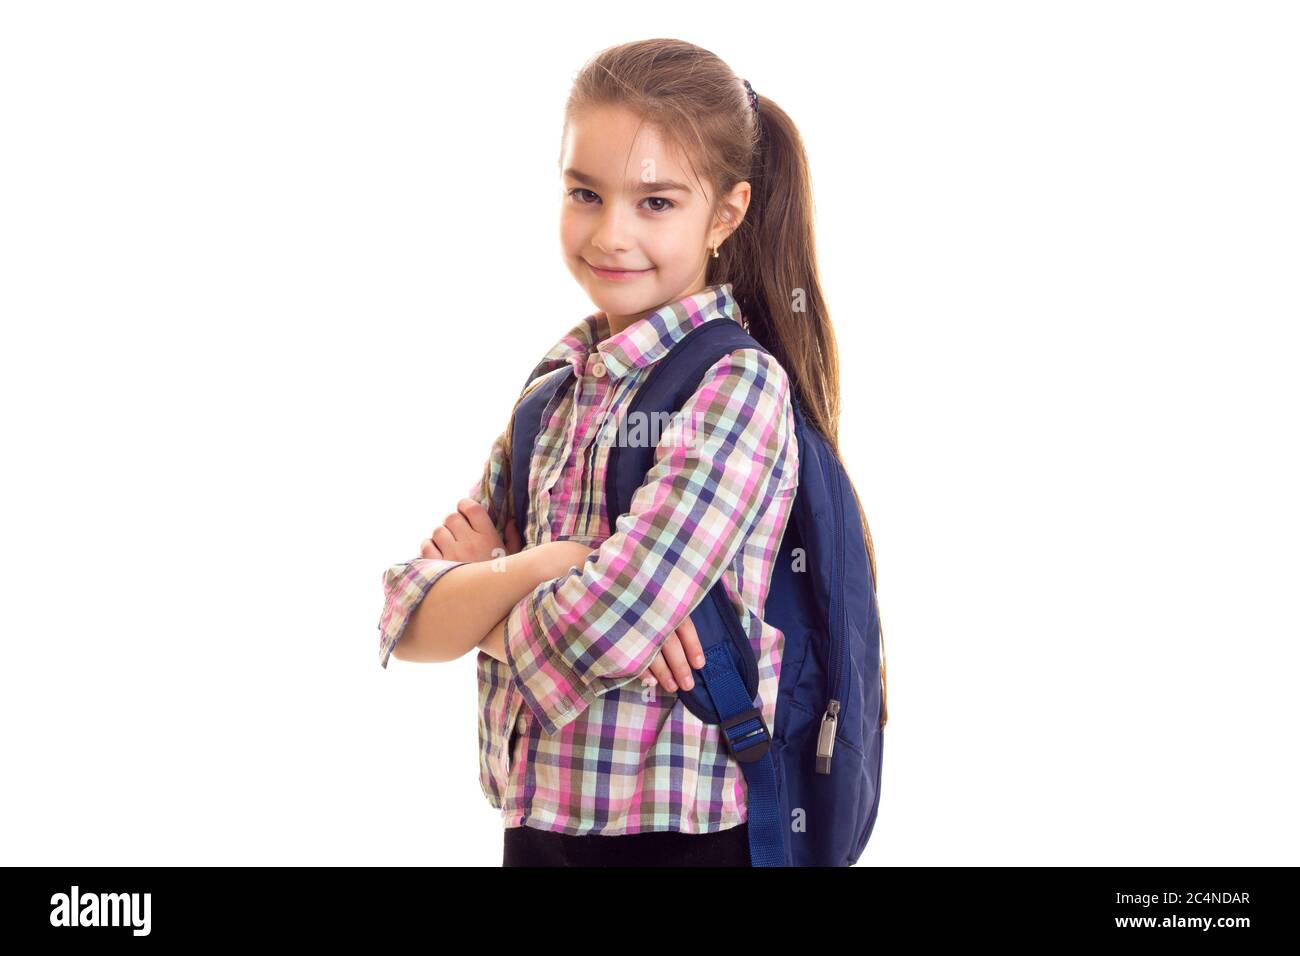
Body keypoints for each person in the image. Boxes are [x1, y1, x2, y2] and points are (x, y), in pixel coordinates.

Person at [376, 37, 878, 867]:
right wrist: (565, 564)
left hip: (681, 839)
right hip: (538, 829)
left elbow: (607, 625)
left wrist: (494, 588)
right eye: (585, 193)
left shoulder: (735, 384)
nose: (611, 234)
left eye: (656, 203)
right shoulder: (554, 388)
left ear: (725, 213)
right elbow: (404, 615)